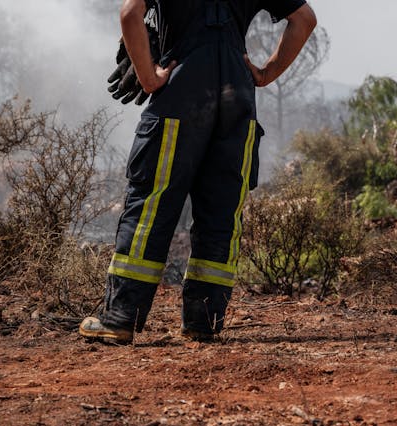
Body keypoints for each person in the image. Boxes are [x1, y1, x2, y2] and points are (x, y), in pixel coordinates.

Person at [80, 0, 317, 343]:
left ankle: (120, 319)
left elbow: (130, 13)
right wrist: (266, 73)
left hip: (182, 88)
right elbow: (305, 19)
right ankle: (203, 322)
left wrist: (148, 76)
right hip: (236, 96)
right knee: (221, 213)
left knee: (152, 204)